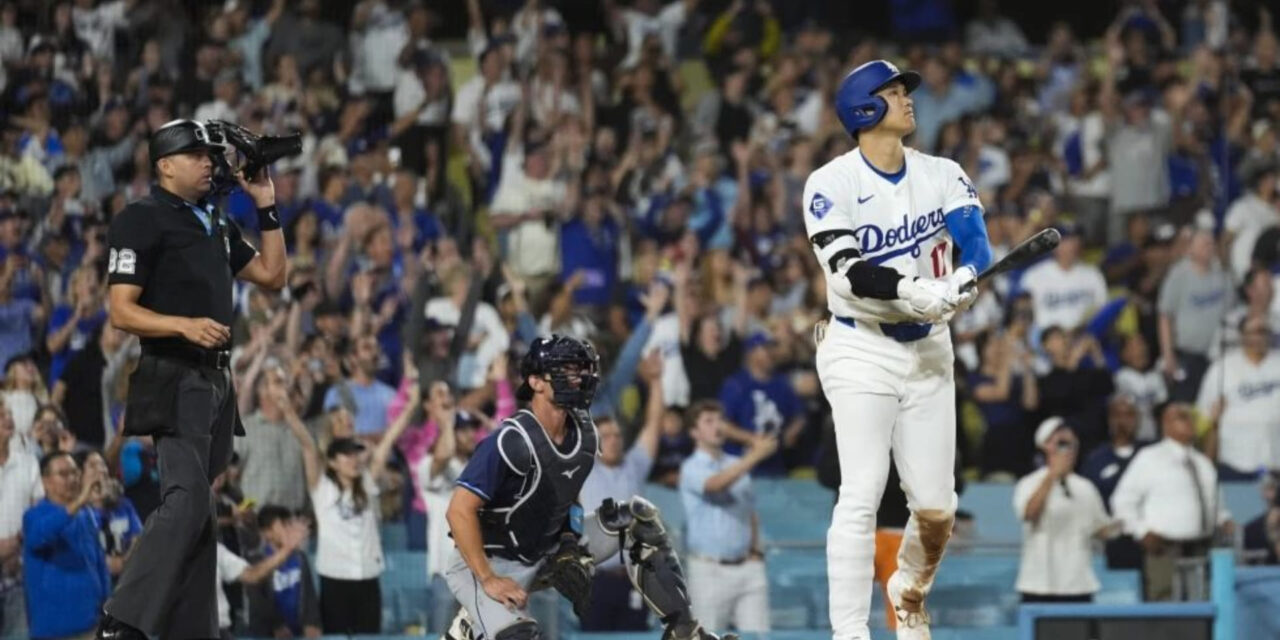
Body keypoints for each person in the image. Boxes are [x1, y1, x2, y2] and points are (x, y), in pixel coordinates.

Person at [803, 60, 992, 640]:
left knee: (937, 508)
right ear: (864, 109)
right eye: (893, 90)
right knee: (860, 491)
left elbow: (976, 242)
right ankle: (849, 631)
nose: (907, 97)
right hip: (861, 347)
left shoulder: (942, 172)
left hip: (930, 350)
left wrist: (963, 278)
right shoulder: (829, 184)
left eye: (904, 89)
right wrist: (913, 291)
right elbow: (848, 271)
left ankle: (907, 591)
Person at [96, 119, 288, 640]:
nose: (210, 162)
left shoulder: (214, 221)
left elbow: (274, 276)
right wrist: (182, 324)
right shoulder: (141, 218)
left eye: (210, 154)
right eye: (197, 154)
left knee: (202, 510)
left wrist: (266, 203)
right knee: (186, 497)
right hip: (174, 373)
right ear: (165, 165)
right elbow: (121, 311)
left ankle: (193, 630)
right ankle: (124, 618)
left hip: (217, 383)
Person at [442, 334, 734, 640]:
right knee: (520, 636)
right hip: (489, 562)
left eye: (580, 368)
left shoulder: (584, 432)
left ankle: (684, 632)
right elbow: (459, 511)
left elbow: (567, 495)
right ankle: (469, 626)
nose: (578, 377)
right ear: (536, 381)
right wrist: (488, 578)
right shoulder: (510, 440)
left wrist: (569, 541)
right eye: (565, 369)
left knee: (635, 520)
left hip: (543, 551)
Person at [1111, 402, 1234, 602]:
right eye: (1182, 417)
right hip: (1164, 549)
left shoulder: (1202, 462)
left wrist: (1224, 519)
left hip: (1202, 548)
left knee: (1202, 603)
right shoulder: (1150, 458)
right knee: (1166, 609)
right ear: (1166, 425)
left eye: (1190, 417)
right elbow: (1122, 501)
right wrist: (1140, 531)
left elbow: (1216, 502)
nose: (1190, 421)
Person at [576, 351, 664, 632]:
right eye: (607, 437)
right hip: (597, 578)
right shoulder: (584, 470)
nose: (613, 441)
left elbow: (654, 427)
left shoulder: (634, 465)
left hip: (635, 576)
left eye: (617, 435)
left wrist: (656, 382)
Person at [679, 400, 775, 633]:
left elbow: (750, 511)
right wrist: (754, 456)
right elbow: (715, 485)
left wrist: (756, 551)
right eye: (708, 421)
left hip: (747, 566)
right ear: (694, 432)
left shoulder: (736, 463)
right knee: (707, 636)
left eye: (720, 420)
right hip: (709, 568)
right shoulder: (691, 467)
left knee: (758, 637)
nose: (717, 426)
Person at [1013, 417, 1113, 603]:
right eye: (1060, 443)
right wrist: (1052, 476)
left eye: (1071, 443)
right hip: (1039, 584)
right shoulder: (1029, 483)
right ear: (1044, 446)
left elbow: (1102, 529)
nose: (1067, 449)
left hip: (1078, 584)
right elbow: (1029, 514)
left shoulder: (1086, 487)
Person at [23, 451, 111, 640]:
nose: (72, 479)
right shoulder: (34, 516)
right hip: (54, 633)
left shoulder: (86, 514)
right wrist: (79, 501)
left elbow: (98, 562)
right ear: (46, 481)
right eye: (63, 474)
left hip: (91, 625)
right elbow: (38, 537)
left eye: (74, 472)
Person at [1196, 314, 1280, 478]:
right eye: (1254, 332)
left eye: (1263, 331)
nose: (1259, 337)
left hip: (1276, 456)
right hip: (1235, 458)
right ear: (1242, 335)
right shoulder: (1222, 367)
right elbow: (1205, 415)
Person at [238, 506, 321, 639]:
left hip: (298, 632)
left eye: (289, 524)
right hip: (266, 634)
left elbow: (309, 594)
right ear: (266, 532)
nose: (289, 530)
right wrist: (277, 626)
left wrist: (312, 623)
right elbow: (257, 601)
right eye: (283, 525)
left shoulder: (300, 557)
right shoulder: (256, 562)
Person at [0, 397, 41, 637]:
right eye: (1, 414)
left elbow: (37, 513)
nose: (8, 417)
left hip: (19, 575)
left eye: (9, 413)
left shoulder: (29, 463)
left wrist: (16, 545)